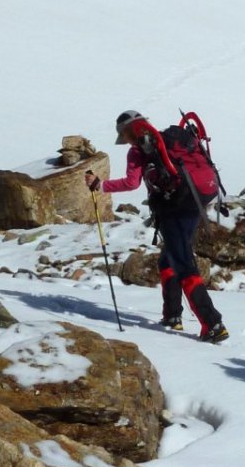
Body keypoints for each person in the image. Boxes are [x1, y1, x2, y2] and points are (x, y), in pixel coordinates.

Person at [87, 109, 228, 344]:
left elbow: (131, 183)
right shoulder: (170, 142)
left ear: (127, 133)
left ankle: (213, 323)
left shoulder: (138, 151)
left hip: (173, 207)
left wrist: (100, 185)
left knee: (183, 264)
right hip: (196, 201)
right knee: (169, 258)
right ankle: (173, 315)